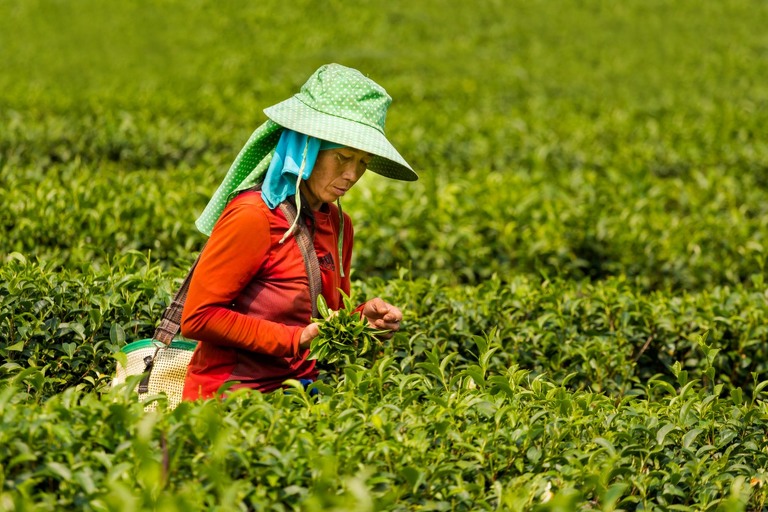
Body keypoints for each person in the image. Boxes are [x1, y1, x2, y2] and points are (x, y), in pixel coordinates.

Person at [180, 63, 418, 400]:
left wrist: (361, 320)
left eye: (362, 163)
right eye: (342, 157)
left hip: (300, 393)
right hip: (231, 398)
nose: (352, 175)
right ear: (306, 147)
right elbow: (198, 318)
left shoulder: (338, 225)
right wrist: (294, 340)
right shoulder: (253, 216)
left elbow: (318, 317)